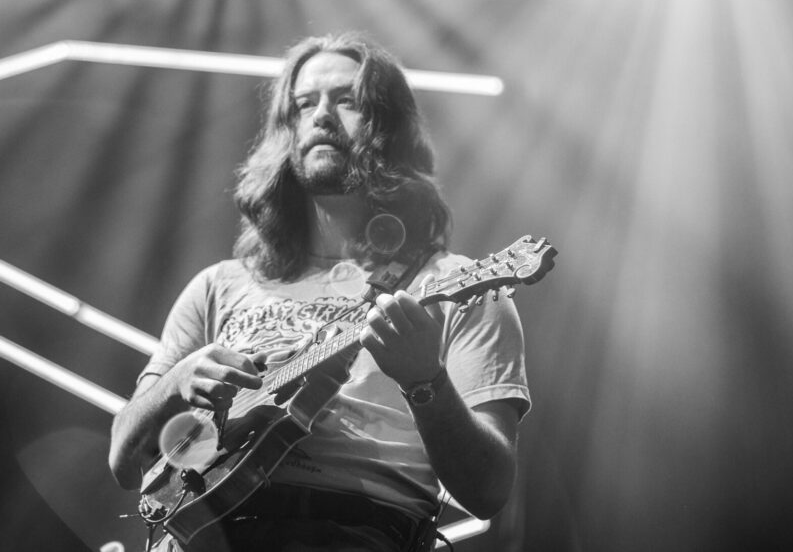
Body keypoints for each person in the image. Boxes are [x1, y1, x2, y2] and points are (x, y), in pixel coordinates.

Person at [108, 32, 530, 551]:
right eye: (305, 104)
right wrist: (176, 380)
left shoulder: (454, 286)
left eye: (347, 101)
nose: (322, 116)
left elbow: (488, 491)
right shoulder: (218, 286)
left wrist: (425, 381)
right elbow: (125, 463)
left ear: (391, 127)